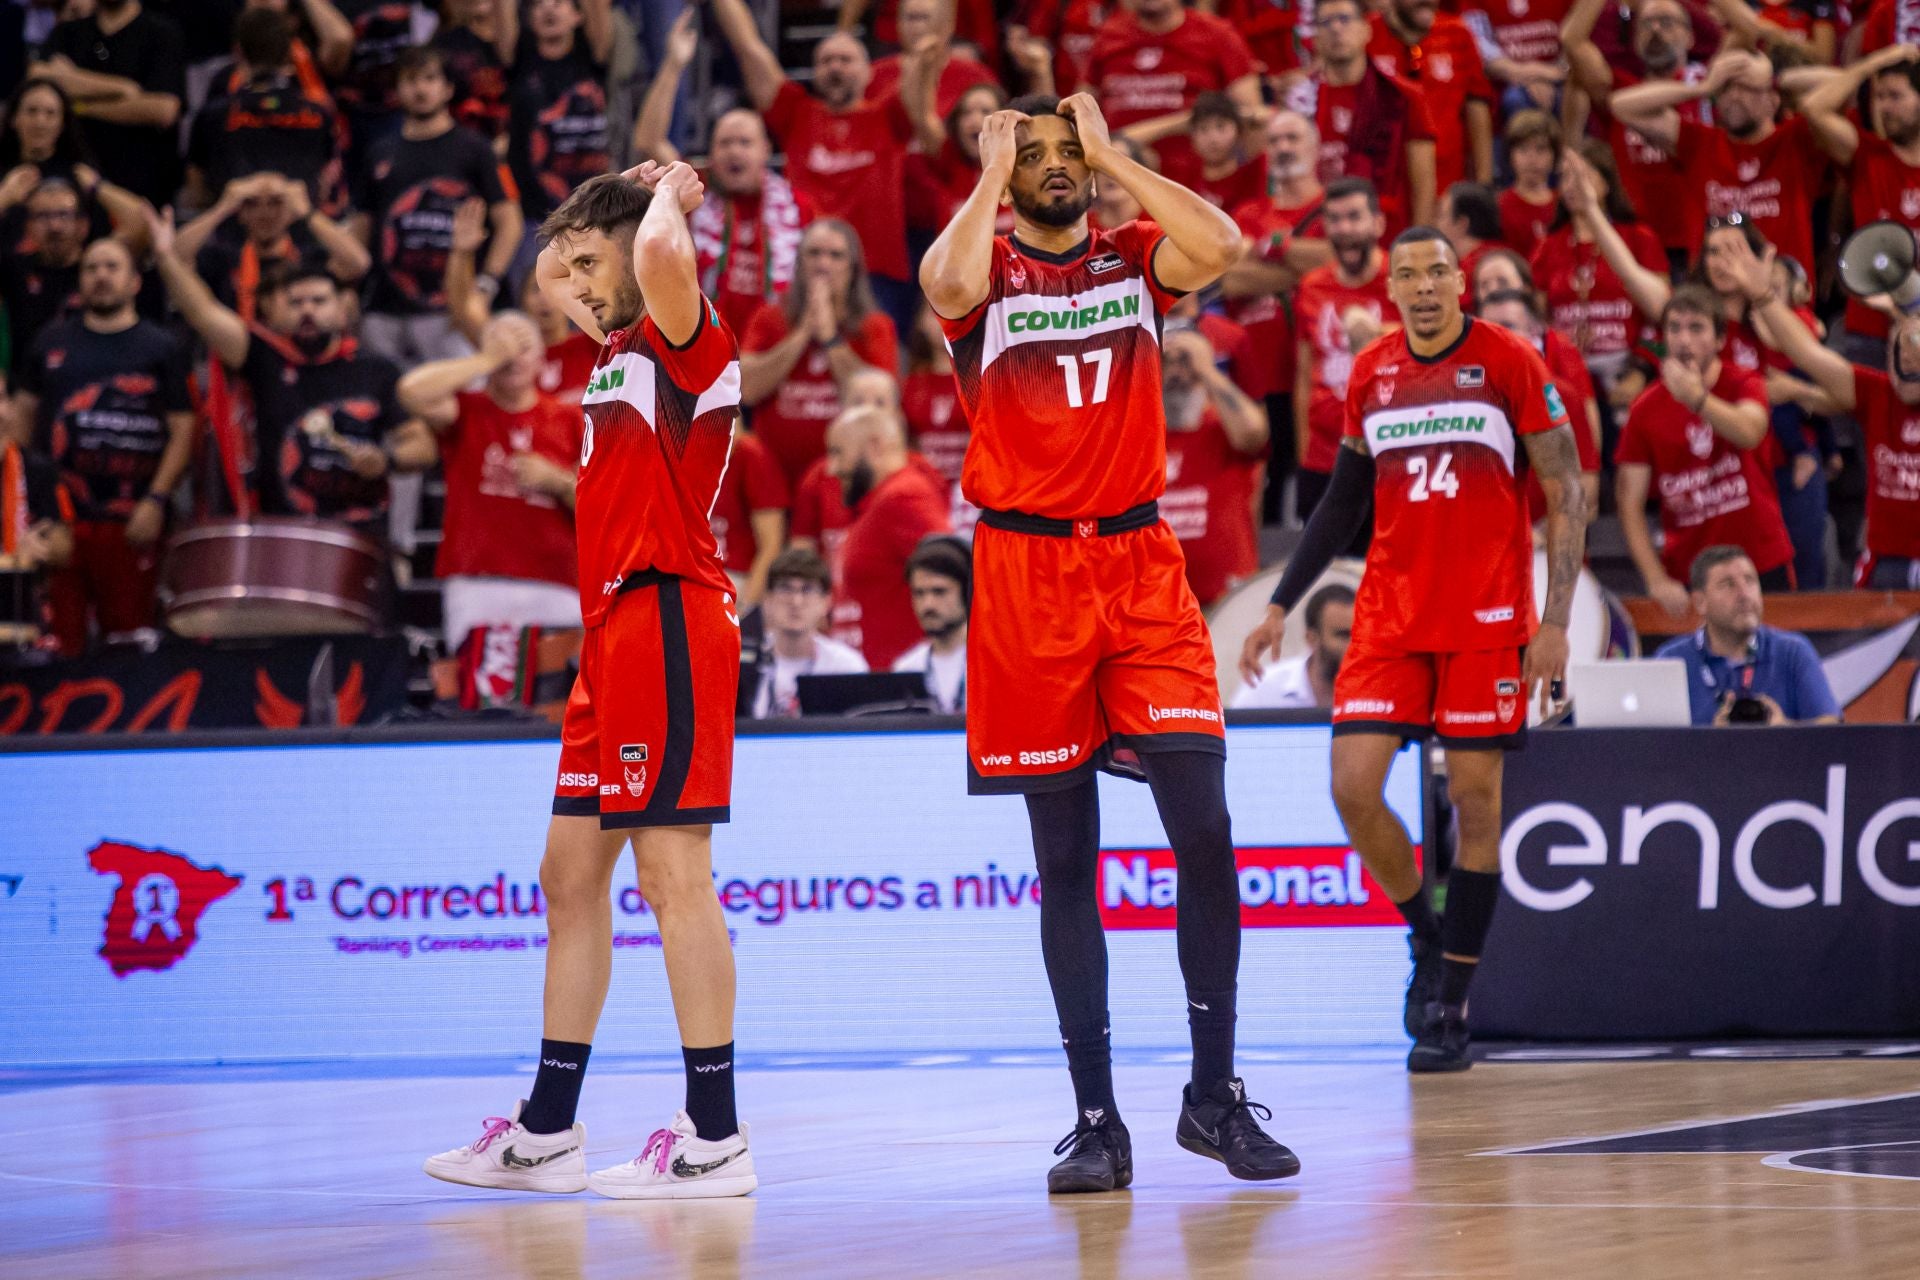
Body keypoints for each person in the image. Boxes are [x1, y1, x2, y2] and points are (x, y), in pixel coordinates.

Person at [921, 92, 1300, 1193]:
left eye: (1060, 151)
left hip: (1138, 563)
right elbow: (943, 284)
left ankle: (1213, 1097)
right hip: (1026, 573)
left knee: (1207, 827)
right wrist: (990, 167)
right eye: (1030, 152)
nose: (1051, 166)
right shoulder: (984, 268)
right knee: (1064, 859)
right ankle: (1097, 1119)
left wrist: (1113, 152)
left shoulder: (1137, 254)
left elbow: (1221, 245)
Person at [422, 165, 757, 1199]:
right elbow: (543, 265)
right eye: (564, 265)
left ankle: (715, 1136)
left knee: (672, 876)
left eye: (586, 260)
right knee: (569, 877)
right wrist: (587, 222)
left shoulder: (683, 337)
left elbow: (654, 253)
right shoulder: (613, 348)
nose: (566, 280)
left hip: (668, 612)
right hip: (608, 632)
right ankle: (547, 1128)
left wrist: (671, 194)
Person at [1237, 224, 1588, 1073]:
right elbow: (1341, 502)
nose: (1424, 286)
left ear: (1460, 283)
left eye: (1438, 272)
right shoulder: (1372, 372)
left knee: (1475, 802)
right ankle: (1428, 942)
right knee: (1352, 790)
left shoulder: (1507, 361)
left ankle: (1452, 1008)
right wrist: (1280, 603)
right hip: (1390, 619)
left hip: (1483, 620)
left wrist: (1554, 622)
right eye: (1408, 275)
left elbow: (1566, 486)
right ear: (1389, 291)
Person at [149, 222, 437, 529]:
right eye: (295, 303)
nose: (307, 311)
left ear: (344, 309)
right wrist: (166, 257)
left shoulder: (376, 370)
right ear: (274, 312)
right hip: (283, 534)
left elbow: (423, 446)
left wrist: (386, 460)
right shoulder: (262, 356)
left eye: (319, 301)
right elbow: (202, 313)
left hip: (360, 536)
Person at [10, 237, 193, 654]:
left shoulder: (161, 346)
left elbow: (184, 429)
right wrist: (25, 505)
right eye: (91, 268)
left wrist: (158, 499)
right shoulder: (50, 342)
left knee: (129, 641)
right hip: (58, 523)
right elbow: (20, 423)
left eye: (112, 267)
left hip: (132, 522)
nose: (100, 276)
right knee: (58, 644)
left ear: (134, 282)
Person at [707, 0, 919, 332]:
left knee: (880, 379)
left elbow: (928, 58)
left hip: (875, 274)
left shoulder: (889, 116)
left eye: (846, 60)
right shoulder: (795, 113)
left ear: (868, 71)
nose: (835, 67)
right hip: (804, 272)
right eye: (825, 61)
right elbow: (748, 48)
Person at [1724, 237, 1920, 589]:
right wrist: (1764, 297)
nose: (1906, 357)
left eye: (1915, 350)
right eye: (1898, 347)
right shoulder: (1879, 394)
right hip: (1885, 566)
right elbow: (1807, 354)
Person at [395, 311, 583, 648]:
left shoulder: (571, 419)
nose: (512, 355)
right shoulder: (468, 409)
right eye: (501, 345)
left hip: (558, 582)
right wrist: (489, 358)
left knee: (558, 697)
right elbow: (411, 391)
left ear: (542, 358)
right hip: (478, 582)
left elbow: (606, 514)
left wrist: (558, 482)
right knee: (478, 696)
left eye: (522, 346)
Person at [1614, 285, 1795, 616]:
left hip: (1760, 561)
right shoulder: (1644, 409)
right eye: (1674, 328)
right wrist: (1655, 579)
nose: (1683, 340)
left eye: (1696, 328)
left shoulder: (1744, 382)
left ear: (1719, 339)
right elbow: (1629, 502)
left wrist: (1696, 399)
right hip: (1692, 572)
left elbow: (1750, 432)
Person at [632, 14, 812, 337]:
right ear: (712, 153)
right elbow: (648, 141)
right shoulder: (691, 191)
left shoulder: (798, 205)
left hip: (773, 348)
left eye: (744, 143)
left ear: (765, 150)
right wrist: (673, 66)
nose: (734, 151)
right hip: (702, 345)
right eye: (724, 143)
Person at [353, 46, 522, 363]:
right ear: (398, 90)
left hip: (453, 310)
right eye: (411, 80)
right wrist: (350, 291)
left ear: (447, 88)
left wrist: (485, 286)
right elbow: (361, 229)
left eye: (430, 79)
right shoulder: (379, 152)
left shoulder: (476, 149)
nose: (420, 89)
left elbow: (509, 222)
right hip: (385, 308)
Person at [1610, 49, 1829, 275]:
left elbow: (1843, 83)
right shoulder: (1700, 143)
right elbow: (1621, 105)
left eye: (1746, 87)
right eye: (1725, 88)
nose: (1733, 96)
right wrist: (1702, 88)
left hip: (1781, 293)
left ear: (1773, 101)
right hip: (1712, 299)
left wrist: (1775, 79)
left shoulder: (1795, 140)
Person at [1222, 109, 1332, 522]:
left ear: (1316, 147)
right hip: (1257, 372)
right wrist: (1298, 270)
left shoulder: (1332, 210)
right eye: (1276, 141)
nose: (1283, 149)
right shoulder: (1247, 213)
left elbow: (1335, 262)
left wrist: (1267, 247)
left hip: (1313, 373)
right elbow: (1229, 281)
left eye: (1293, 139)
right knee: (1263, 495)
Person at [741, 220, 899, 488]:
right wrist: (802, 334)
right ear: (799, 262)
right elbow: (746, 389)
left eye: (836, 255)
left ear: (853, 268)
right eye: (814, 253)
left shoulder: (875, 326)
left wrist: (830, 339)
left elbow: (880, 406)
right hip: (772, 481)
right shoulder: (769, 318)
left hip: (845, 483)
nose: (823, 264)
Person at [1798, 45, 1920, 369]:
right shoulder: (1868, 156)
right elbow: (1814, 107)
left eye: (1895, 96)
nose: (1884, 108)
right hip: (1870, 329)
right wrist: (1874, 63)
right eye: (1879, 97)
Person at [1563, 0, 1710, 264]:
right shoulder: (1621, 88)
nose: (1655, 29)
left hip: (1696, 243)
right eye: (1645, 24)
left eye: (1666, 22)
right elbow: (1571, 41)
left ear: (1690, 37)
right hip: (1634, 245)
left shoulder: (1709, 87)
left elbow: (1747, 31)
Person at [1286, 0, 1437, 233]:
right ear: (1314, 39)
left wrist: (1421, 239)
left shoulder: (1403, 96)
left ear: (1367, 31)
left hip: (1386, 231)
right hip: (1318, 229)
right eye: (1326, 22)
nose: (1336, 28)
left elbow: (1424, 183)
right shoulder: (1300, 100)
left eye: (1344, 19)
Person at [1293, 179, 1391, 524]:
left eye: (1354, 217)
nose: (1344, 228)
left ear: (1378, 223)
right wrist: (1304, 453)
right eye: (1335, 219)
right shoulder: (1312, 286)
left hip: (1392, 457)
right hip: (1325, 460)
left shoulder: (1402, 280)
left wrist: (1377, 332)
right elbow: (1304, 375)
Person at [1652, 545, 1841, 725]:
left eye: (1750, 580)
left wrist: (1785, 729)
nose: (1744, 594)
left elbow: (1832, 727)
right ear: (1700, 602)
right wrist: (1711, 742)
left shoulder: (1792, 651)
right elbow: (1657, 745)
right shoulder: (1672, 660)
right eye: (1728, 585)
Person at [825, 406, 953, 669]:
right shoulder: (882, 500)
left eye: (838, 452)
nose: (832, 468)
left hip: (899, 684)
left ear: (873, 448)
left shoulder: (903, 497)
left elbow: (952, 570)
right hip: (878, 673)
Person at [29, 0, 186, 205]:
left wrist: (77, 101)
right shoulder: (71, 32)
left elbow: (163, 109)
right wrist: (122, 88)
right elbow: (37, 76)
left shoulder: (161, 33)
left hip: (143, 181)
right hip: (76, 185)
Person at [185, 9, 342, 210]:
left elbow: (196, 194)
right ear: (288, 53)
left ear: (238, 51)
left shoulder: (211, 117)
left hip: (229, 234)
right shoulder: (319, 116)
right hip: (301, 234)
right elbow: (324, 187)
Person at [1080, 0, 1260, 173]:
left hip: (1195, 183)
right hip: (1120, 177)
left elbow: (1253, 117)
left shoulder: (1217, 34)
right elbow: (1081, 111)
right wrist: (1178, 123)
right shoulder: (1108, 35)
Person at [1160, 326, 1268, 606]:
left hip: (1226, 599)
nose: (1175, 374)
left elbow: (1254, 433)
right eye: (1165, 362)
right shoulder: (1142, 436)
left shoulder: (1221, 429)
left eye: (1185, 362)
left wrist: (1207, 369)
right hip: (1162, 601)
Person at [1478, 288, 1602, 524]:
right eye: (1489, 332)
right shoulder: (1458, 401)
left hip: (1545, 541)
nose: (1497, 340)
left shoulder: (1562, 397)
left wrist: (1539, 536)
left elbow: (1587, 491)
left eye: (1508, 327)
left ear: (1535, 334)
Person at [176, 173, 370, 319]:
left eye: (276, 203)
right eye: (252, 204)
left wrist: (307, 213)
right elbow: (174, 257)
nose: (265, 213)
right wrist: (223, 207)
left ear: (291, 211)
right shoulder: (222, 258)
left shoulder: (308, 258)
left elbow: (358, 263)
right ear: (240, 213)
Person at [507, 0, 614, 231]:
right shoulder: (519, 61)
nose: (548, 8)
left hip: (595, 212)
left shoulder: (593, 57)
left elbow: (598, 8)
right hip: (534, 218)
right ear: (528, 19)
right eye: (538, 4)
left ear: (578, 16)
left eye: (558, 2)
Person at [1367, 0, 1495, 192]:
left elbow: (1477, 108)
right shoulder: (1366, 34)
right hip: (1386, 183)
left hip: (1447, 182)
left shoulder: (1457, 33)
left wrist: (1484, 182)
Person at [748, 544, 868, 718]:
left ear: (826, 602)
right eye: (785, 588)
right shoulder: (744, 665)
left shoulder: (847, 667)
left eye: (807, 589)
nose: (796, 601)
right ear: (768, 599)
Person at [1232, 581, 1353, 709]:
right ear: (1312, 639)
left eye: (1360, 635)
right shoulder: (1262, 691)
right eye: (1344, 636)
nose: (1355, 646)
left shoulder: (1375, 691)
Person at [891, 535, 971, 713]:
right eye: (919, 593)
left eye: (939, 592)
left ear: (967, 592)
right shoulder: (905, 669)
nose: (928, 605)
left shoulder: (994, 665)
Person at [1498, 110, 1560, 260]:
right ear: (1510, 156)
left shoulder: (1564, 203)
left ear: (1554, 156)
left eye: (1541, 149)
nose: (1532, 159)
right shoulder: (1500, 206)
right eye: (1523, 149)